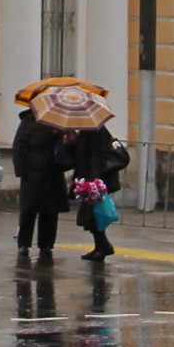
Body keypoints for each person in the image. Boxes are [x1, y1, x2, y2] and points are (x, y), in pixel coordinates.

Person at [11, 107, 69, 262]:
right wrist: (21, 170)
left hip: (53, 172)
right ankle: (24, 244)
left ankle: (46, 245)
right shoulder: (28, 121)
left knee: (50, 211)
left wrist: (66, 139)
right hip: (33, 173)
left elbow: (66, 148)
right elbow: (18, 146)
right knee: (29, 210)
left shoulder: (59, 121)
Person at [69, 125, 125, 261]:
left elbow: (99, 154)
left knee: (93, 214)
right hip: (89, 179)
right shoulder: (86, 131)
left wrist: (94, 179)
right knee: (91, 215)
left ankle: (103, 246)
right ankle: (101, 245)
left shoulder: (95, 130)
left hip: (95, 182)